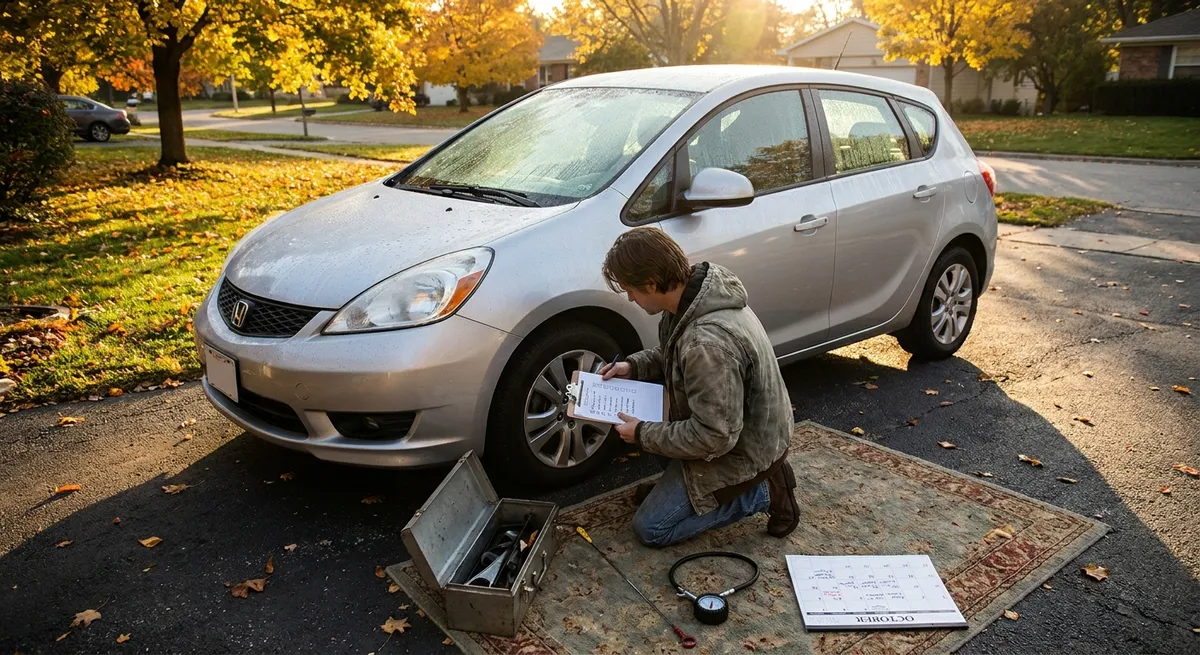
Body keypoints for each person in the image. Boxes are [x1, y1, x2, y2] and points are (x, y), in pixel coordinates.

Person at [598, 227, 800, 547]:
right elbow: (672, 354)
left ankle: (763, 492)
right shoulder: (695, 297)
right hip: (746, 428)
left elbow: (714, 437)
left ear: (651, 283)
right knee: (655, 429)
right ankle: (683, 490)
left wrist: (643, 434)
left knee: (651, 528)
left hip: (745, 449)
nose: (631, 299)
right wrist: (633, 366)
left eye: (631, 290)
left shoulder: (705, 343)